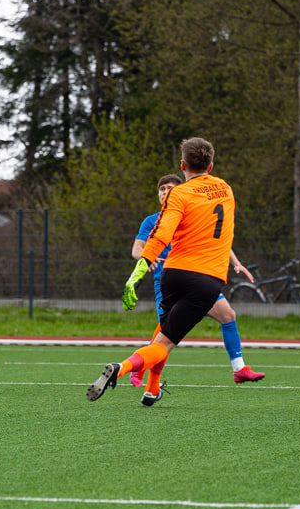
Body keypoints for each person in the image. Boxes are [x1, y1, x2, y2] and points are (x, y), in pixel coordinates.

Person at [88, 137, 234, 406]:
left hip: (171, 276)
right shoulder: (225, 189)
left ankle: (151, 390)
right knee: (165, 343)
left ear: (182, 166)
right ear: (211, 166)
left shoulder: (178, 198)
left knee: (163, 335)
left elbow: (158, 238)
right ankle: (122, 369)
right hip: (203, 278)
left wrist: (136, 274)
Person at [128, 174, 264, 386]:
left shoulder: (193, 212)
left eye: (169, 188)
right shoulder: (151, 221)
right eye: (161, 189)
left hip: (197, 278)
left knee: (227, 314)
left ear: (180, 191)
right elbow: (138, 248)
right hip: (169, 281)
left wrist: (236, 263)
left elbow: (217, 241)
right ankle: (140, 370)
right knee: (168, 333)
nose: (165, 192)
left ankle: (239, 369)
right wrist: (146, 258)